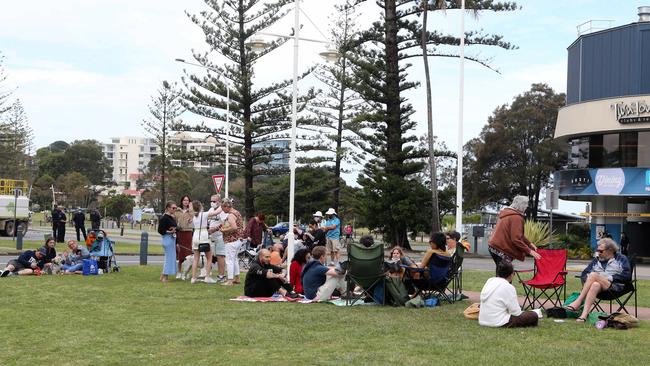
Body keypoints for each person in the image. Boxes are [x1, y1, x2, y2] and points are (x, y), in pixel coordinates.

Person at [564, 238, 631, 322]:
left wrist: (608, 277)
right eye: (597, 250)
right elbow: (584, 273)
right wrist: (589, 279)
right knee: (595, 284)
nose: (598, 252)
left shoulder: (621, 259)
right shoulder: (596, 260)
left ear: (610, 250)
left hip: (614, 287)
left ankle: (578, 301)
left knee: (593, 275)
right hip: (597, 288)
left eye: (600, 251)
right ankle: (583, 316)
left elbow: (627, 275)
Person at [488, 195, 541, 272]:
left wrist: (529, 244)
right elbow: (516, 239)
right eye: (526, 204)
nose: (526, 207)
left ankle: (499, 283)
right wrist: (529, 251)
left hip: (494, 246)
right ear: (521, 205)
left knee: (501, 272)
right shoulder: (516, 217)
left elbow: (518, 235)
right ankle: (502, 284)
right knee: (505, 274)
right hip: (501, 248)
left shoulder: (508, 213)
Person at [479, 261, 539, 328]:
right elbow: (516, 312)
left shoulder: (490, 281)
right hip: (498, 322)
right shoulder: (508, 287)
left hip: (483, 320)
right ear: (511, 274)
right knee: (533, 315)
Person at [190, 200, 219, 284]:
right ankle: (207, 277)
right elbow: (216, 212)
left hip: (195, 236)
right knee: (209, 257)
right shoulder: (204, 214)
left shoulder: (194, 216)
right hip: (203, 236)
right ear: (199, 206)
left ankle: (193, 278)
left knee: (196, 258)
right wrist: (220, 204)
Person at [218, 198, 244, 286]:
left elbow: (234, 227)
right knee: (234, 259)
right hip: (238, 239)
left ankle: (230, 280)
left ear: (226, 206)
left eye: (222, 208)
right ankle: (237, 278)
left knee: (229, 260)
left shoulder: (230, 215)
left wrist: (224, 230)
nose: (222, 210)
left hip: (231, 240)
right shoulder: (237, 212)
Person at [207, 194, 227, 282]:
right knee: (210, 256)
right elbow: (207, 220)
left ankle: (221, 275)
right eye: (211, 201)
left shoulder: (222, 211)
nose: (212, 203)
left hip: (220, 236)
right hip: (211, 237)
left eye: (214, 201)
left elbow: (224, 223)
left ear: (219, 202)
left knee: (220, 256)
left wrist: (215, 229)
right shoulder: (211, 210)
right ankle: (208, 274)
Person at [174, 195, 194, 279]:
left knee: (188, 254)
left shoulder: (191, 211)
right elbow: (174, 221)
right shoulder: (177, 211)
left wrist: (191, 209)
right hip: (180, 233)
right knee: (180, 253)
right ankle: (179, 272)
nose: (186, 202)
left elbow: (194, 219)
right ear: (182, 201)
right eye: (184, 200)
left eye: (187, 200)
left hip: (188, 233)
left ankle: (186, 273)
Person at [158, 201, 178, 282]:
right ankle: (165, 278)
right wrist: (169, 232)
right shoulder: (164, 218)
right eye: (173, 208)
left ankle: (162, 276)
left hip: (172, 239)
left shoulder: (172, 217)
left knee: (170, 258)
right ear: (168, 208)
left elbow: (174, 226)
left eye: (175, 208)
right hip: (167, 239)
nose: (175, 209)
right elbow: (160, 230)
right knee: (169, 258)